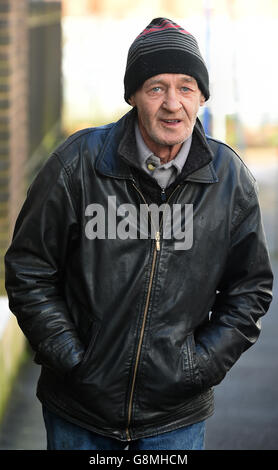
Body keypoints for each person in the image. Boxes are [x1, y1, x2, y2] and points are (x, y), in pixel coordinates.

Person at [5, 17, 273, 451]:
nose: (173, 103)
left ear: (202, 97)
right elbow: (28, 268)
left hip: (175, 422)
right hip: (78, 414)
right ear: (132, 96)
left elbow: (251, 290)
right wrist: (73, 358)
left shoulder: (230, 180)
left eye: (186, 87)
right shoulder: (78, 165)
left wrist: (197, 367)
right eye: (156, 88)